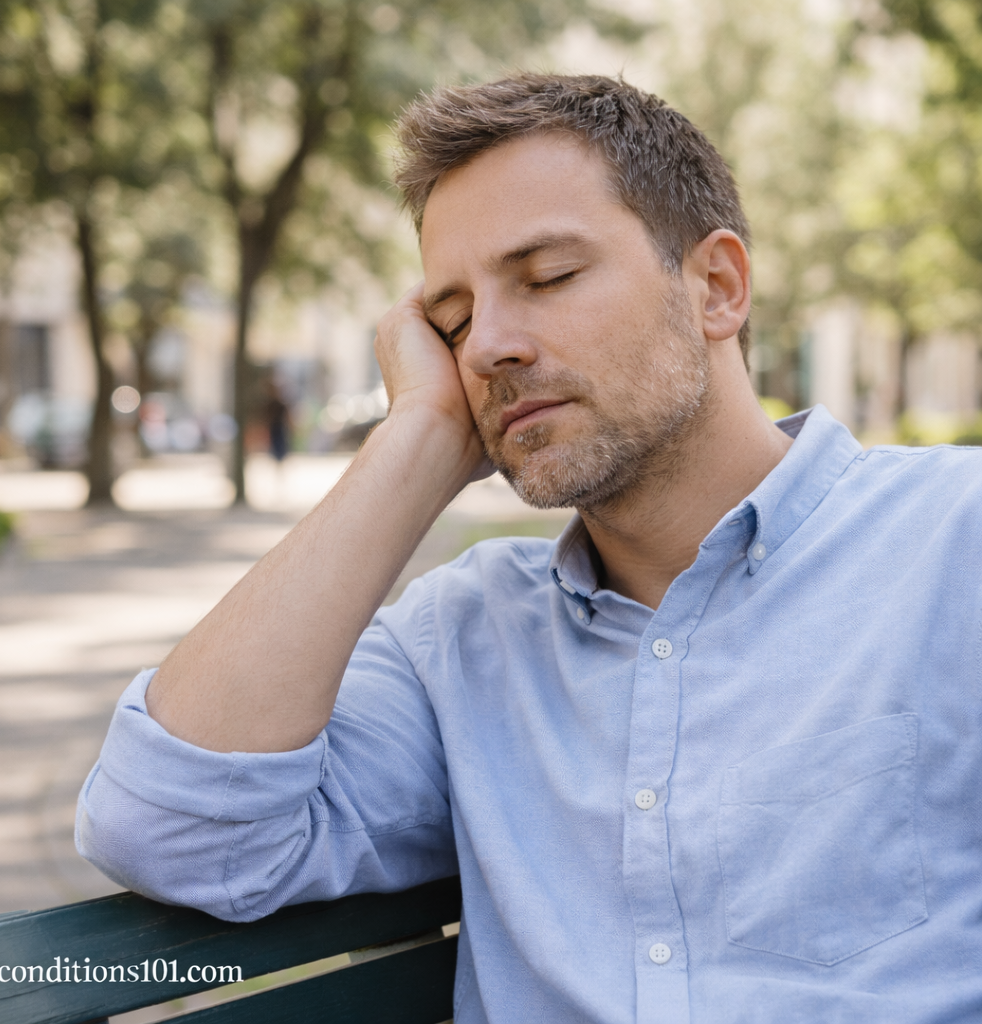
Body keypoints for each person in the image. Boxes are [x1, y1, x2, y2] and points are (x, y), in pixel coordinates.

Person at [76, 75, 982, 1023]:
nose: (486, 349)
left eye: (547, 277)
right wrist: (417, 441)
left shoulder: (951, 543)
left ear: (716, 287)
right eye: (453, 320)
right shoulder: (460, 643)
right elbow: (169, 824)